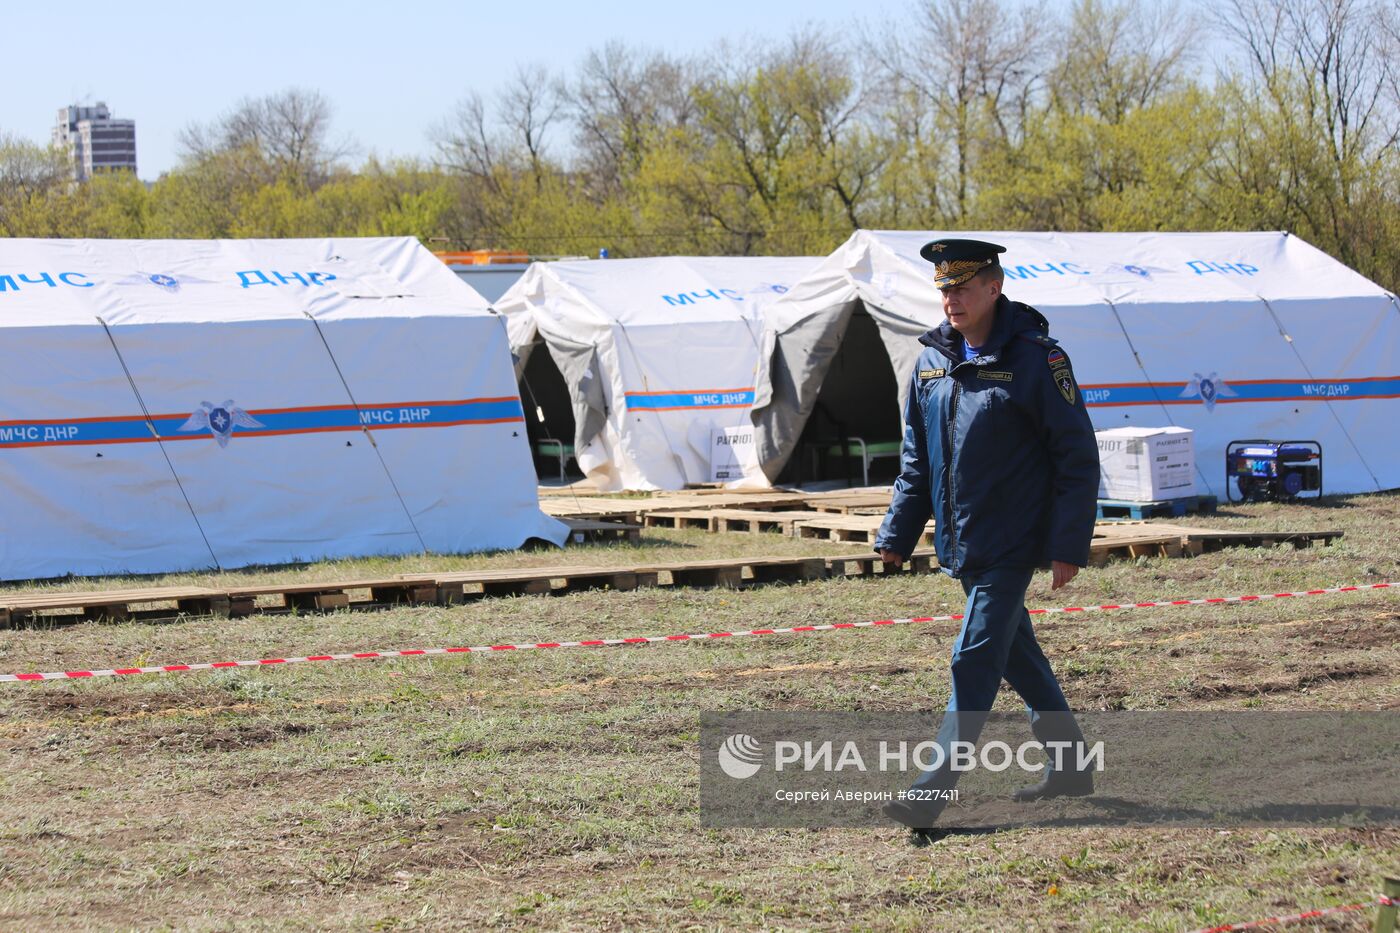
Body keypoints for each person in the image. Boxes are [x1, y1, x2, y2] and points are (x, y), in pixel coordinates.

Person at [873, 238, 1101, 833]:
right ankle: (1072, 766)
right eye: (944, 288)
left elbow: (1075, 455)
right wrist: (897, 531)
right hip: (961, 540)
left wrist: (1067, 544)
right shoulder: (929, 363)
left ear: (994, 288)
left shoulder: (1037, 359)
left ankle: (932, 789)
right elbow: (916, 460)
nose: (952, 299)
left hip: (1013, 541)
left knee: (973, 657)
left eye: (964, 287)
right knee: (1016, 655)